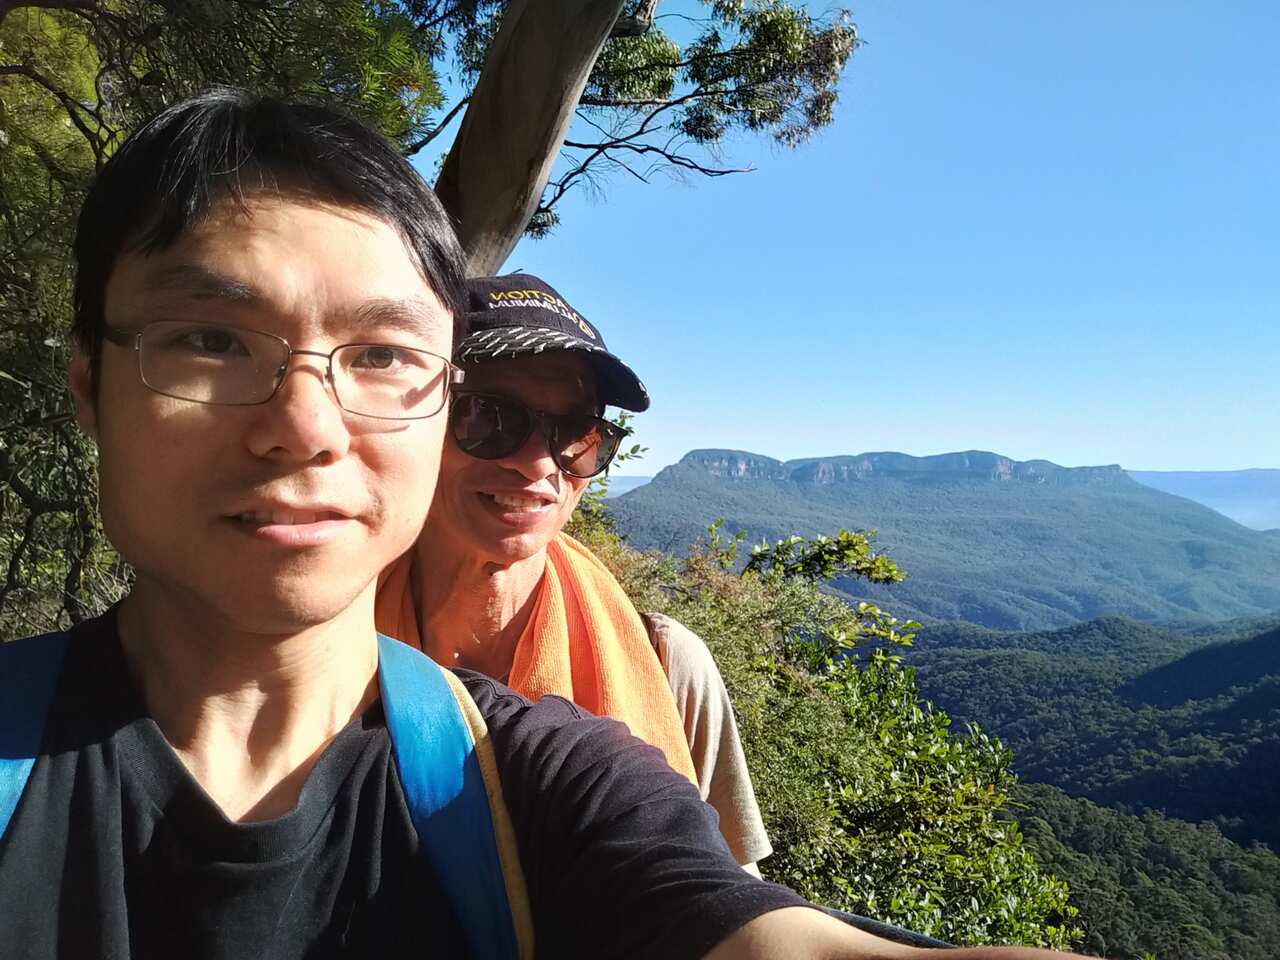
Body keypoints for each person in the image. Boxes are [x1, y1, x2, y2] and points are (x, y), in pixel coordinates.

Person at [0, 87, 1093, 960]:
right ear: (90, 388)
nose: (304, 426)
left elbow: (724, 906)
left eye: (381, 356)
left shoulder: (553, 770)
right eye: (211, 340)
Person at [375, 272, 772, 872]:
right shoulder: (312, 648)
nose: (539, 464)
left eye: (576, 433)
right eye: (489, 416)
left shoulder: (668, 666)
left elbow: (729, 901)